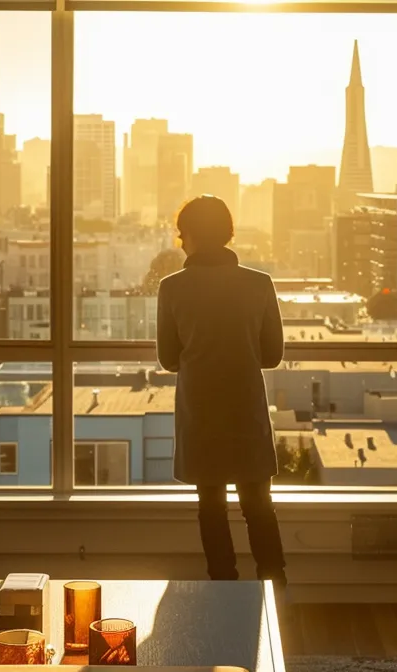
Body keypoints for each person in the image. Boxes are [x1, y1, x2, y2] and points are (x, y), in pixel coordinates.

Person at [156, 195, 287, 585]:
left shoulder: (172, 288)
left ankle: (222, 590)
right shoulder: (259, 284)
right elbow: (272, 355)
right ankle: (275, 587)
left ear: (193, 234)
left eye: (182, 234)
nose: (180, 241)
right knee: (258, 506)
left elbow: (168, 358)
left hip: (201, 413)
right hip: (246, 408)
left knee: (211, 508)